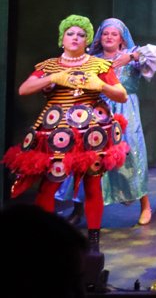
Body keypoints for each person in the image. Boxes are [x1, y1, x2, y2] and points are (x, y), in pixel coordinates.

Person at [3, 15, 129, 254]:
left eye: (81, 35)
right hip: (56, 134)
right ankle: (45, 239)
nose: (75, 38)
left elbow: (121, 95)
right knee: (48, 186)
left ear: (87, 40)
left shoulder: (98, 65)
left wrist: (101, 85)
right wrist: (53, 78)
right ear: (62, 38)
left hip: (90, 135)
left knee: (93, 184)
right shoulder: (49, 65)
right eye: (70, 33)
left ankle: (93, 242)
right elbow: (24, 89)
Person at [84, 18, 156, 226]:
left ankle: (144, 205)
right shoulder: (93, 59)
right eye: (106, 33)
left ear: (121, 39)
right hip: (100, 111)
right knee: (92, 156)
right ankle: (80, 207)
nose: (109, 37)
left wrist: (132, 56)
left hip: (126, 111)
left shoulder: (132, 56)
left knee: (132, 154)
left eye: (114, 34)